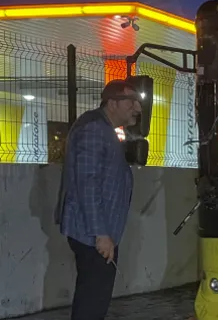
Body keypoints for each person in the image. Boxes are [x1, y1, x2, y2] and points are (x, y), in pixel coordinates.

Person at [55, 79, 142, 320]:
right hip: (93, 234)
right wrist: (101, 234)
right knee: (93, 301)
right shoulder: (94, 128)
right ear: (112, 103)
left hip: (98, 233)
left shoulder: (102, 127)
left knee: (95, 297)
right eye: (131, 101)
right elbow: (87, 183)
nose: (137, 108)